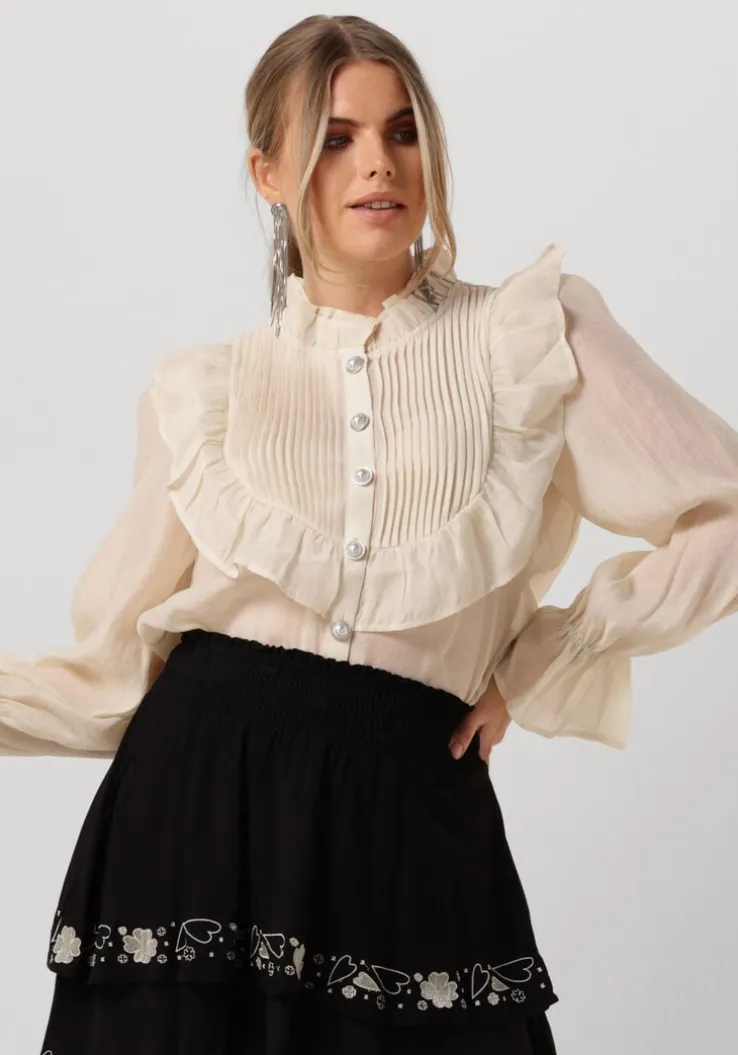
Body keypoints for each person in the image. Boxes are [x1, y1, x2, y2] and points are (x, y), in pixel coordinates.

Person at [3, 13, 738, 1055]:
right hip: (198, 820)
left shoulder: (532, 337)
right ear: (268, 173)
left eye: (402, 131)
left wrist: (542, 660)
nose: (379, 164)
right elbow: (107, 679)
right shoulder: (202, 393)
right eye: (335, 138)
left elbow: (724, 507)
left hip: (408, 814)